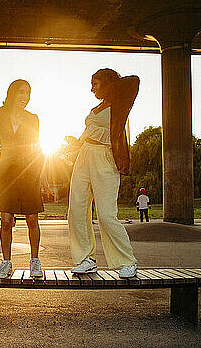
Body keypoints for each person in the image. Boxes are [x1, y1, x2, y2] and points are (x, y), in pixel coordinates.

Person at [67, 68, 140, 278]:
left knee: (106, 214)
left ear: (107, 84)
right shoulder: (96, 108)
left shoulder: (120, 107)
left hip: (105, 158)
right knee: (77, 210)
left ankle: (127, 261)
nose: (91, 89)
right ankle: (86, 259)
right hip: (84, 156)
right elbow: (86, 136)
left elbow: (133, 81)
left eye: (95, 84)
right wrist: (73, 144)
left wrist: (112, 85)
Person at [0, 79, 51, 279]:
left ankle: (35, 261)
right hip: (6, 172)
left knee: (32, 218)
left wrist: (44, 177)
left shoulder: (33, 118)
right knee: (5, 219)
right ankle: (6, 263)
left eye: (28, 93)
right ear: (12, 93)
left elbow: (38, 147)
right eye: (21, 92)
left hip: (29, 171)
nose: (25, 97)